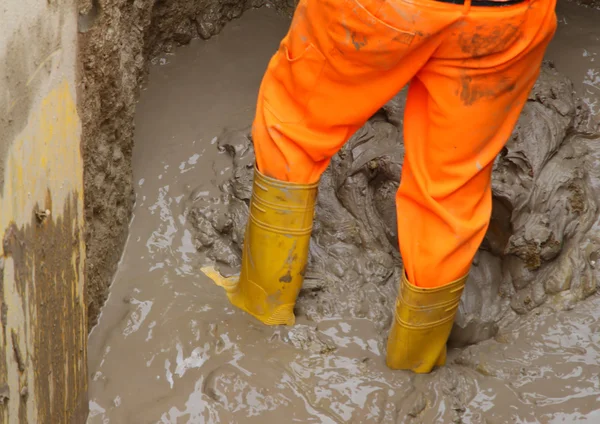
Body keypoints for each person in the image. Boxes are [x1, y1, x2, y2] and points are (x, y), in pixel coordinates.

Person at [205, 0, 557, 373]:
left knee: (294, 128)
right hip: (507, 19)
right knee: (451, 189)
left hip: (384, 10)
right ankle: (415, 361)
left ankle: (262, 301)